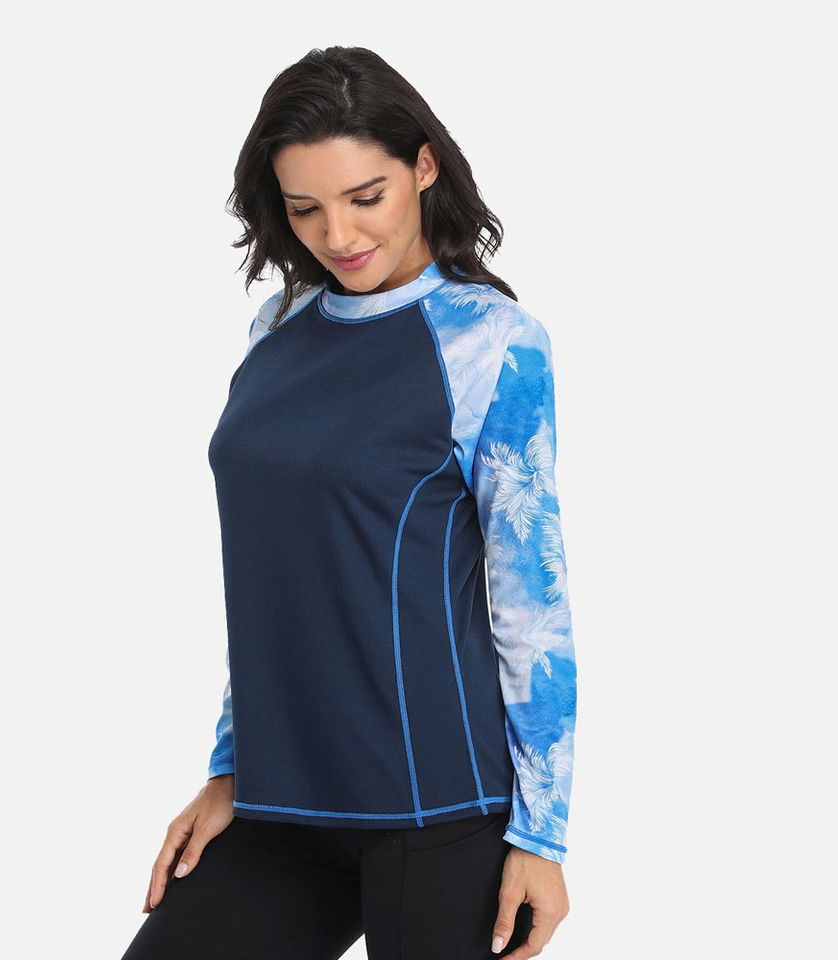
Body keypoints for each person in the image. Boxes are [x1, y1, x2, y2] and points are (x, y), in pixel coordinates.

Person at [119, 45, 578, 960]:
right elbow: (280, 576)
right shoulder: (277, 328)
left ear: (423, 167)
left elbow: (533, 603)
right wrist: (231, 764)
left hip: (437, 804)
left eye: (366, 196)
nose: (337, 234)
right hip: (280, 798)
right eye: (305, 208)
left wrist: (543, 834)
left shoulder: (492, 342)